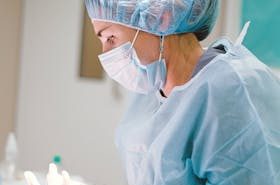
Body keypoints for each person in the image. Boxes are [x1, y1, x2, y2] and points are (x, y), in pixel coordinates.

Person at [24, 1, 280, 185]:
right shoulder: (151, 92)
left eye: (110, 37)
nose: (106, 54)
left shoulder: (232, 89)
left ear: (162, 17)